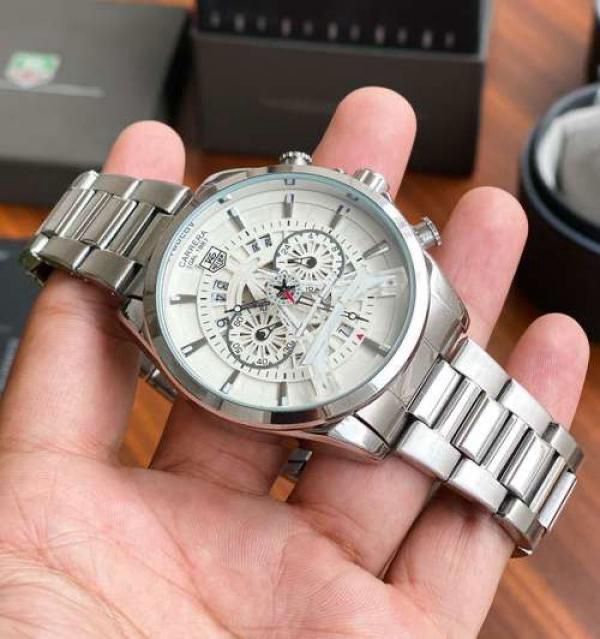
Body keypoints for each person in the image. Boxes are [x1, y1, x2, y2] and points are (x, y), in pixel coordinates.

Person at [0, 88, 588, 637]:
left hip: (385, 348)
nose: (286, 292)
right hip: (326, 380)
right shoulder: (159, 295)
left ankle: (531, 480)